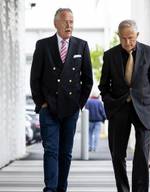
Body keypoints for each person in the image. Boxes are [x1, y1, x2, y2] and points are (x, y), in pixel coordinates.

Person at [30, 8, 93, 192]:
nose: (69, 25)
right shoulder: (43, 45)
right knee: (51, 150)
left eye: (72, 21)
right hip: (48, 108)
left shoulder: (81, 45)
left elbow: (87, 80)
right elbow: (35, 78)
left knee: (65, 153)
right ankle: (50, 189)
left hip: (70, 109)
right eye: (65, 21)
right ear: (55, 23)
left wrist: (79, 105)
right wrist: (41, 103)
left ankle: (61, 188)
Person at [98, 20, 150, 192]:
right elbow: (103, 86)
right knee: (118, 155)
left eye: (131, 38)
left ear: (138, 35)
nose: (128, 42)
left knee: (142, 154)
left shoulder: (149, 53)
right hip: (118, 109)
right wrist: (110, 104)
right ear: (118, 36)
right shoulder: (110, 55)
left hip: (145, 109)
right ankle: (123, 189)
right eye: (124, 38)